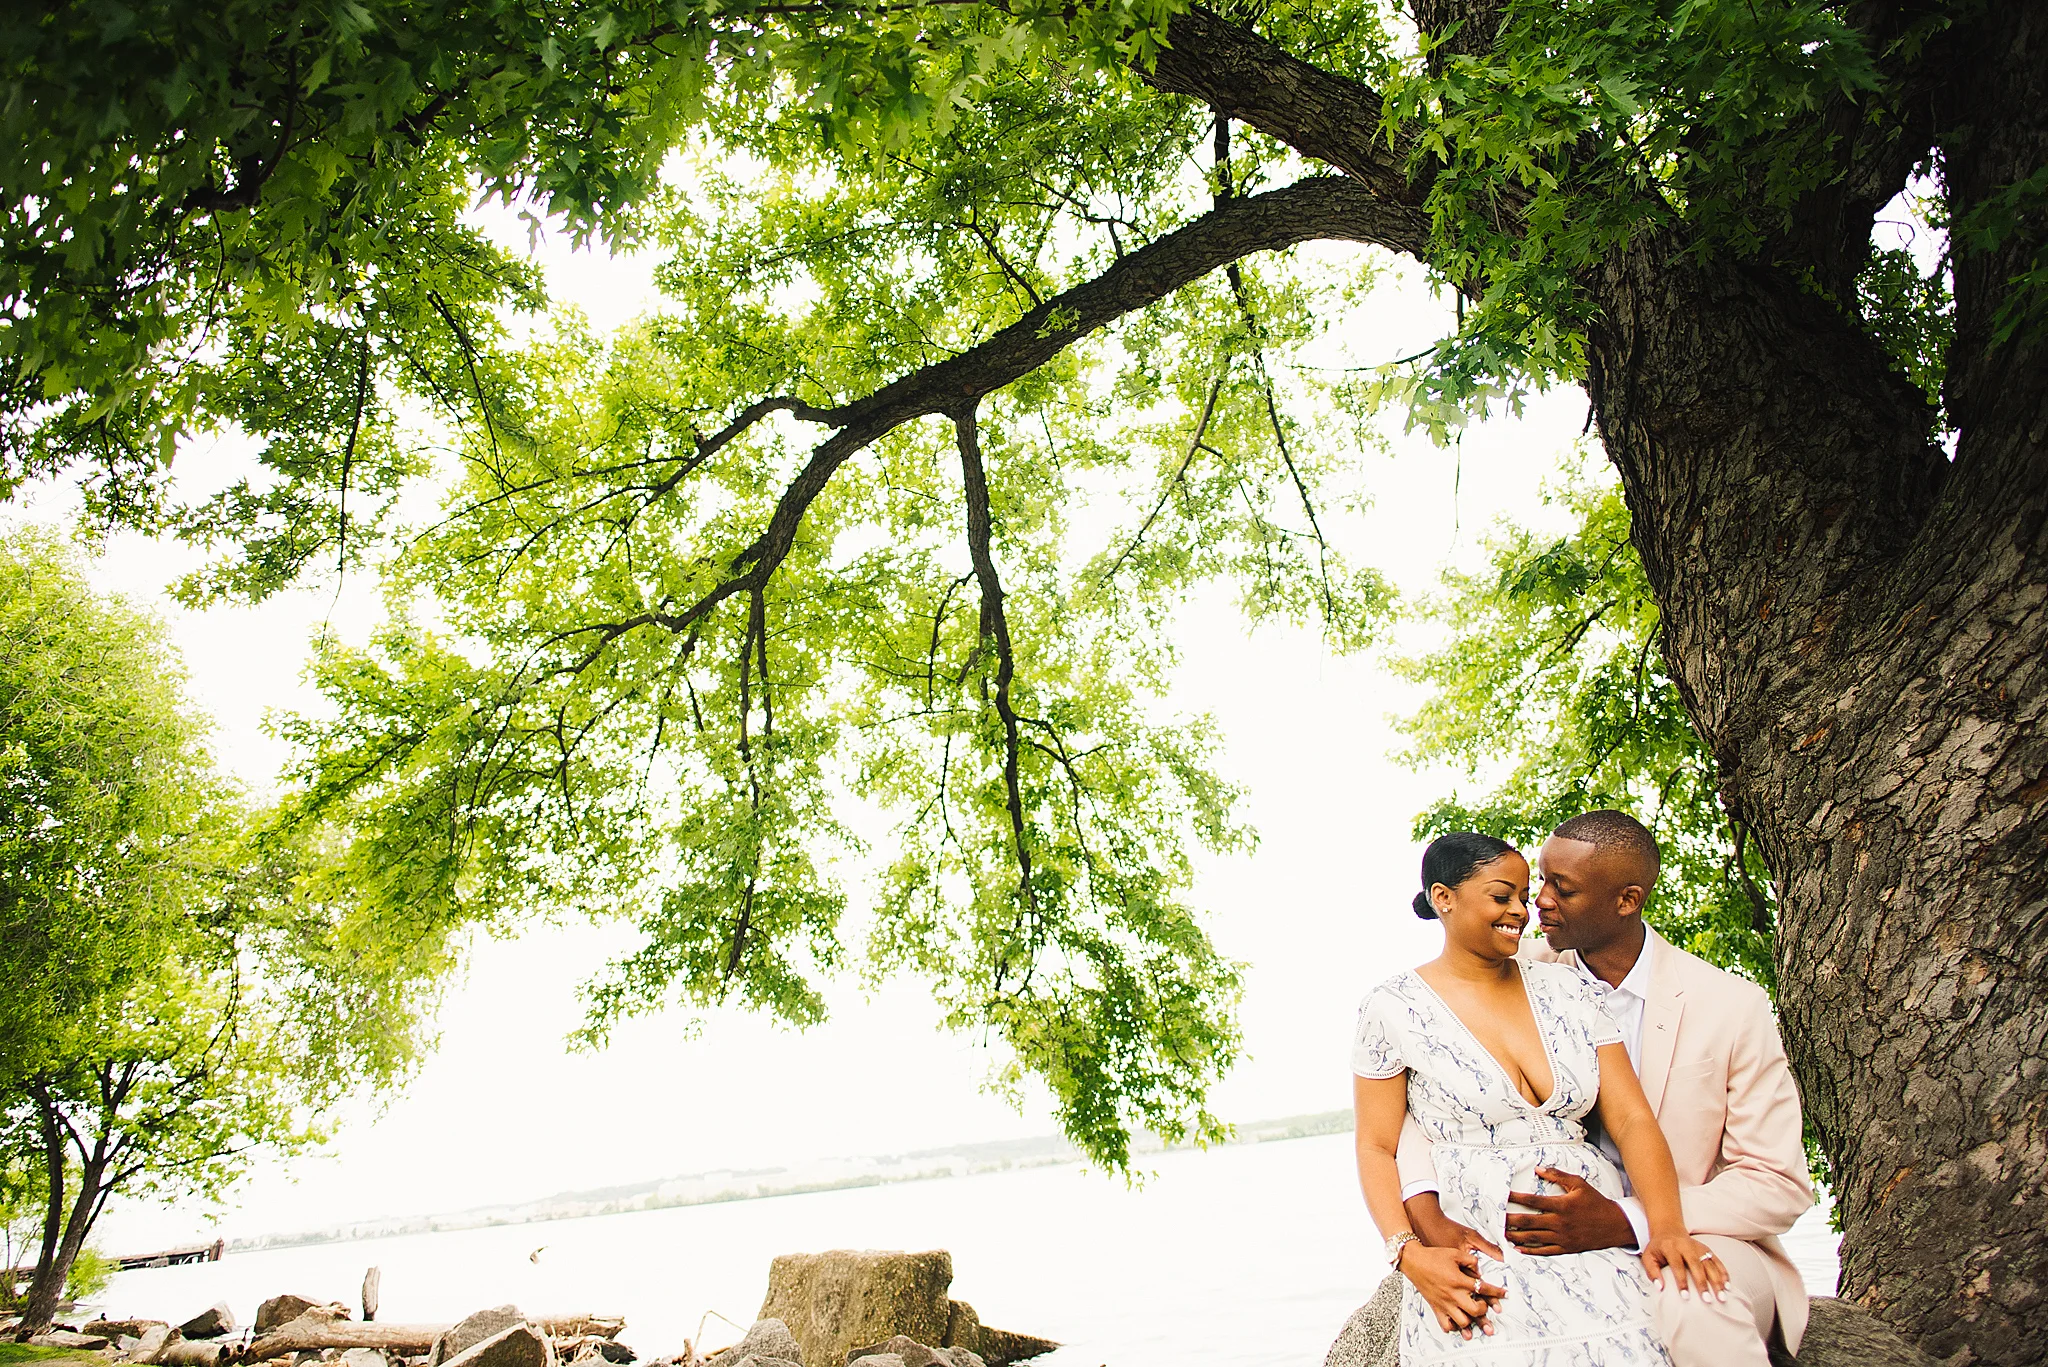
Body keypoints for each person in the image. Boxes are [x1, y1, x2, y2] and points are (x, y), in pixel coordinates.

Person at [1398, 811, 1812, 1366]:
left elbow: (1776, 1184)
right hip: (1539, 1236)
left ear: (1627, 899)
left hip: (1702, 1237)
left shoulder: (1730, 1008)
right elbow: (1426, 1100)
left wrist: (1629, 1221)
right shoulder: (1511, 972)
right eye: (1536, 881)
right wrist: (1424, 1227)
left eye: (1559, 888)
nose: (1535, 902)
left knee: (1690, 1304)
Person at [1353, 831, 1725, 1367]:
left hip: (1590, 1242)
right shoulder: (1392, 1009)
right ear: (1443, 898)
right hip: (1484, 1247)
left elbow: (1633, 1119)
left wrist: (1667, 1230)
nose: (1521, 912)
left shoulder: (1569, 991)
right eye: (1502, 897)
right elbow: (1376, 1146)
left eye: (1524, 897)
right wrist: (1409, 1256)